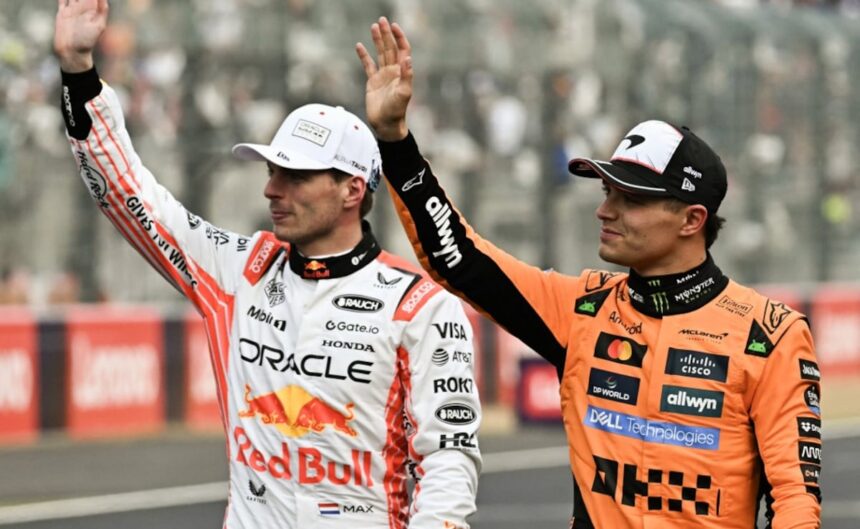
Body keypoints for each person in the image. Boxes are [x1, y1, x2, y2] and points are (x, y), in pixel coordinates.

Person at [356, 17, 822, 529]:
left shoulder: (770, 335)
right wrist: (394, 141)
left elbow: (795, 501)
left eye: (631, 200)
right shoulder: (583, 309)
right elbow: (460, 259)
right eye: (607, 192)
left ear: (693, 220)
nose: (605, 211)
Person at [54, 3, 481, 528]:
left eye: (295, 177)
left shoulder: (421, 307)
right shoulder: (240, 273)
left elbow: (448, 460)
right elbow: (130, 195)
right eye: (272, 171)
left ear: (352, 190)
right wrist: (78, 70)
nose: (272, 190)